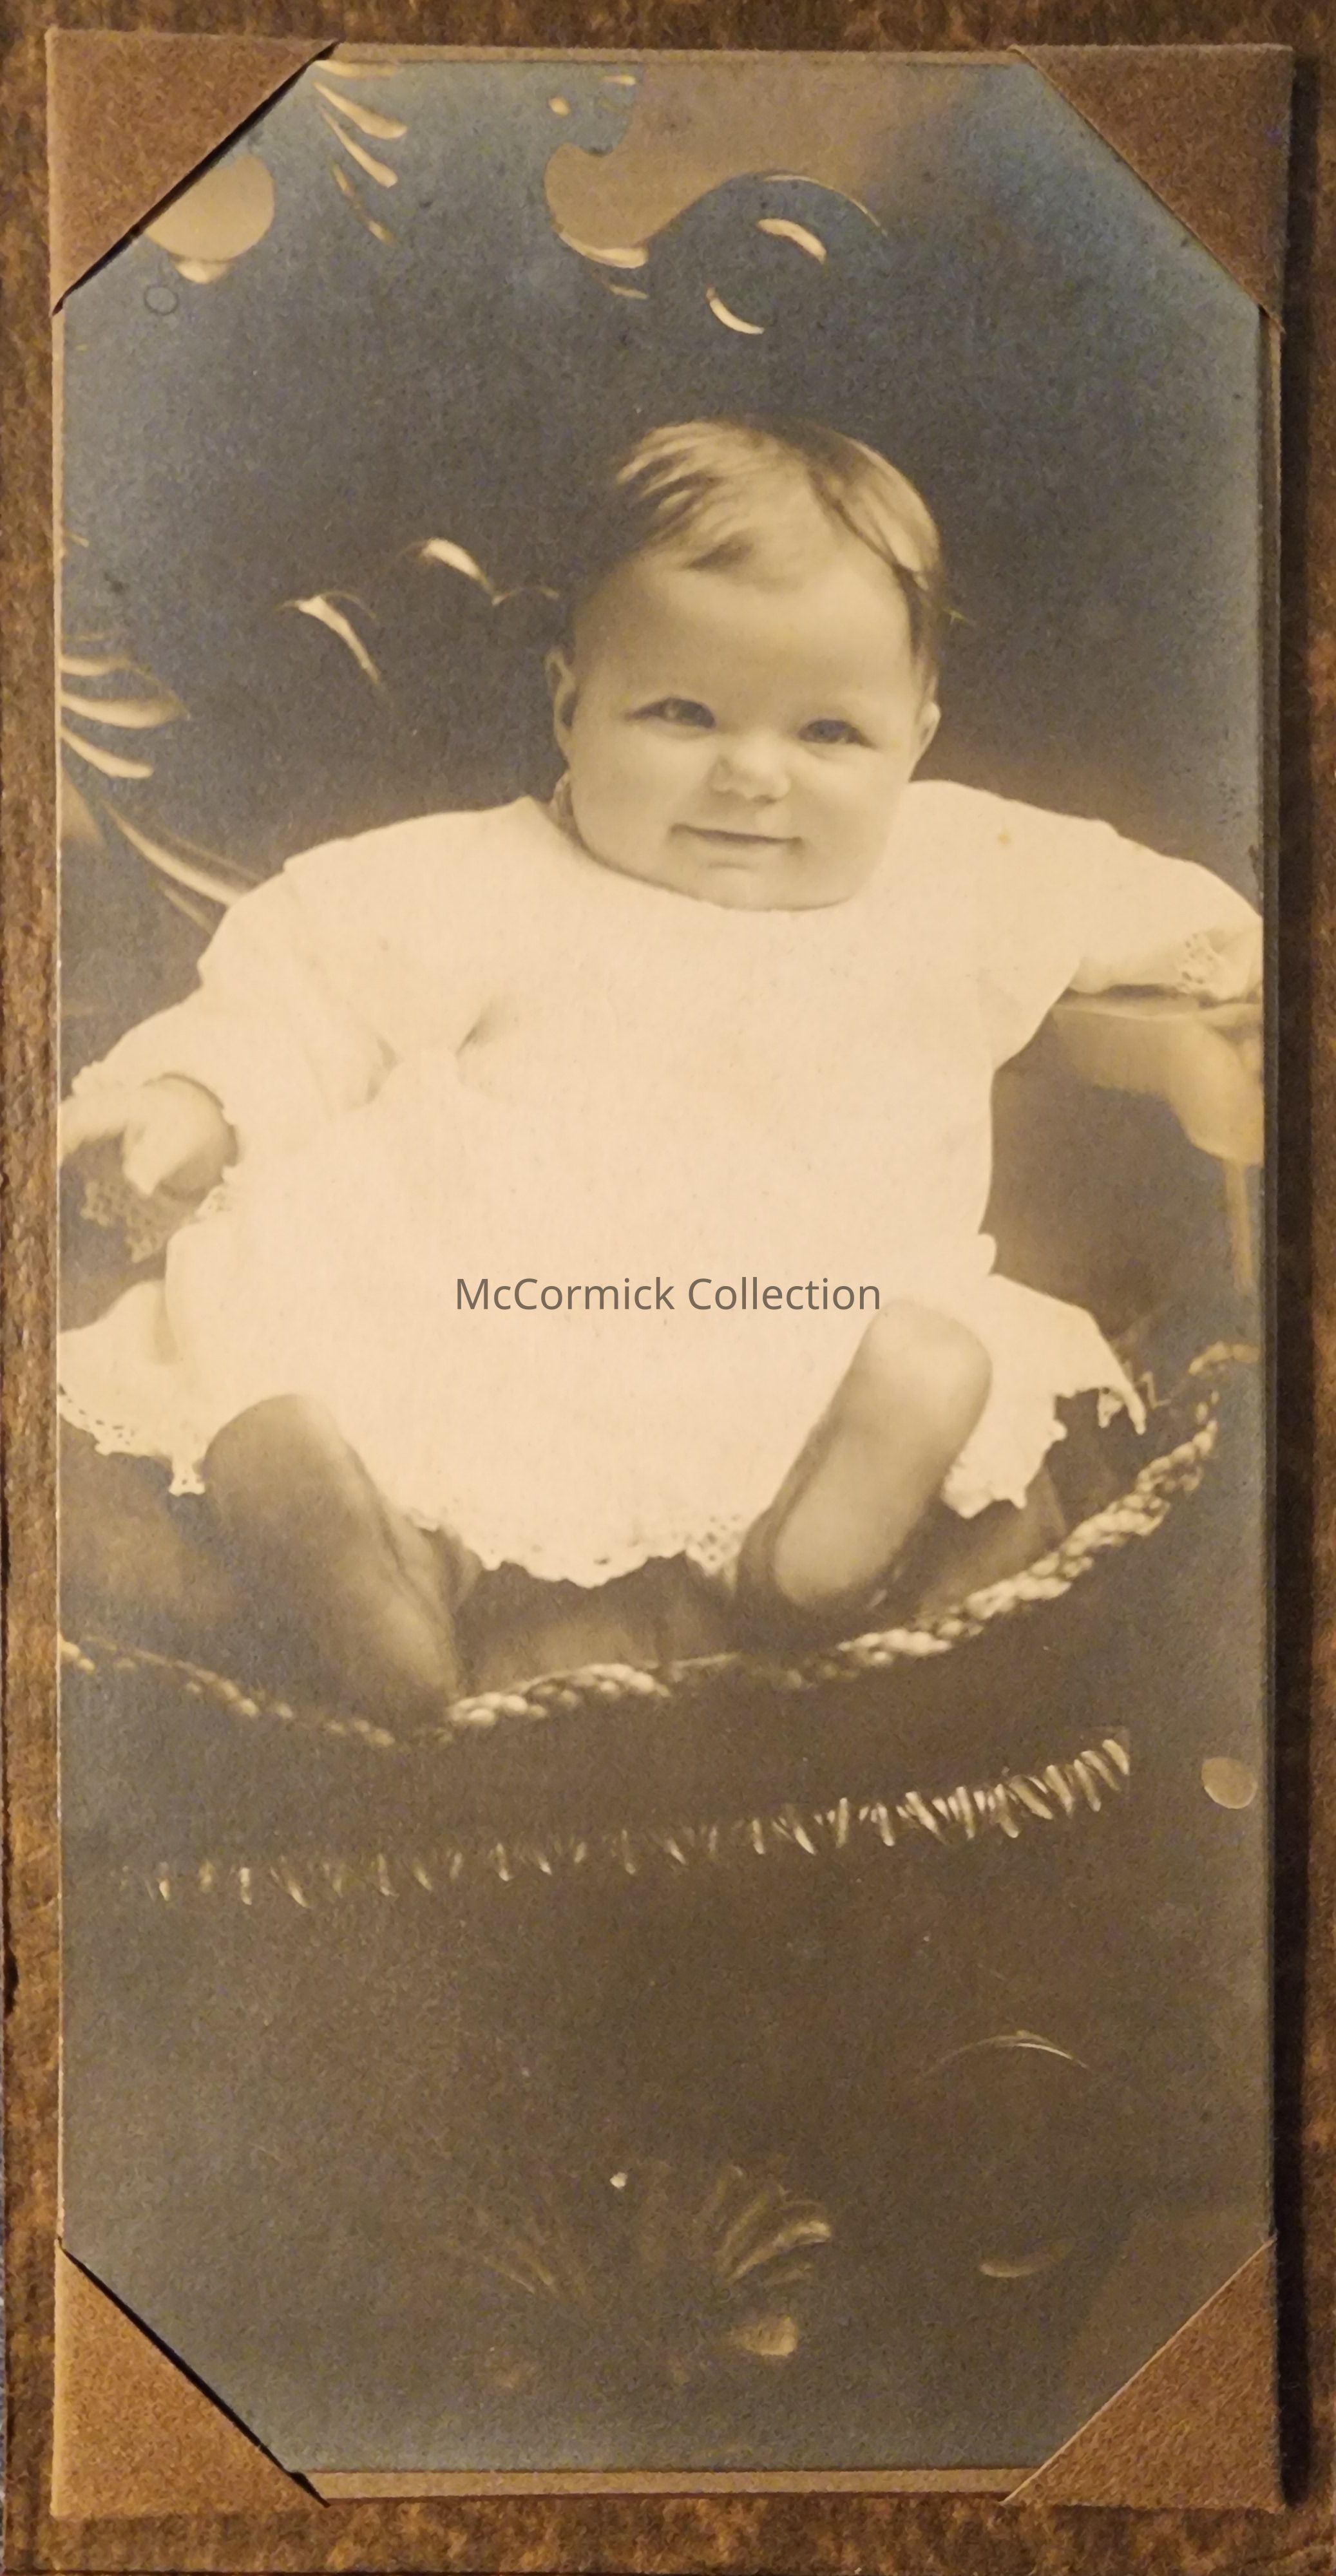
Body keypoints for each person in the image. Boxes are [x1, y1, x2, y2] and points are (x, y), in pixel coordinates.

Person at [57, 417, 1263, 1718]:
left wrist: (1252, 972)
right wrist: (196, 1099)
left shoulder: (959, 869)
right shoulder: (475, 876)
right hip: (480, 1307)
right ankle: (372, 1557)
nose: (751, 774)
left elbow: (1179, 919)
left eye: (829, 733)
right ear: (570, 705)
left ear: (916, 737)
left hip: (801, 1317)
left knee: (905, 1360)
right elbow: (302, 999)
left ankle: (817, 1541)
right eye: (681, 713)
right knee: (361, 1355)